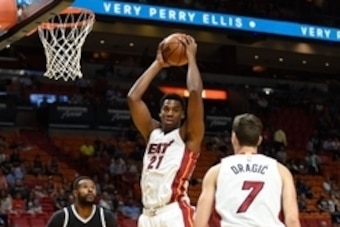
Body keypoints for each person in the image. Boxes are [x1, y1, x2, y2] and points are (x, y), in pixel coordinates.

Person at [127, 34, 204, 227]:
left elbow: (194, 93)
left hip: (174, 212)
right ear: (160, 113)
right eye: (166, 109)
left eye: (176, 110)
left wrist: (191, 58)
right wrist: (158, 64)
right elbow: (133, 98)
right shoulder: (152, 132)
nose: (170, 113)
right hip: (146, 215)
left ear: (183, 115)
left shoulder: (188, 135)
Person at [194, 114, 300, 227]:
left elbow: (200, 222)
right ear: (259, 140)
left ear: (233, 138)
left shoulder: (216, 171)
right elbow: (292, 219)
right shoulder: (281, 171)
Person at [46, 176, 117, 227]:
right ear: (75, 193)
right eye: (85, 187)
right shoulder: (61, 217)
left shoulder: (106, 217)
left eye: (92, 187)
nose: (90, 190)